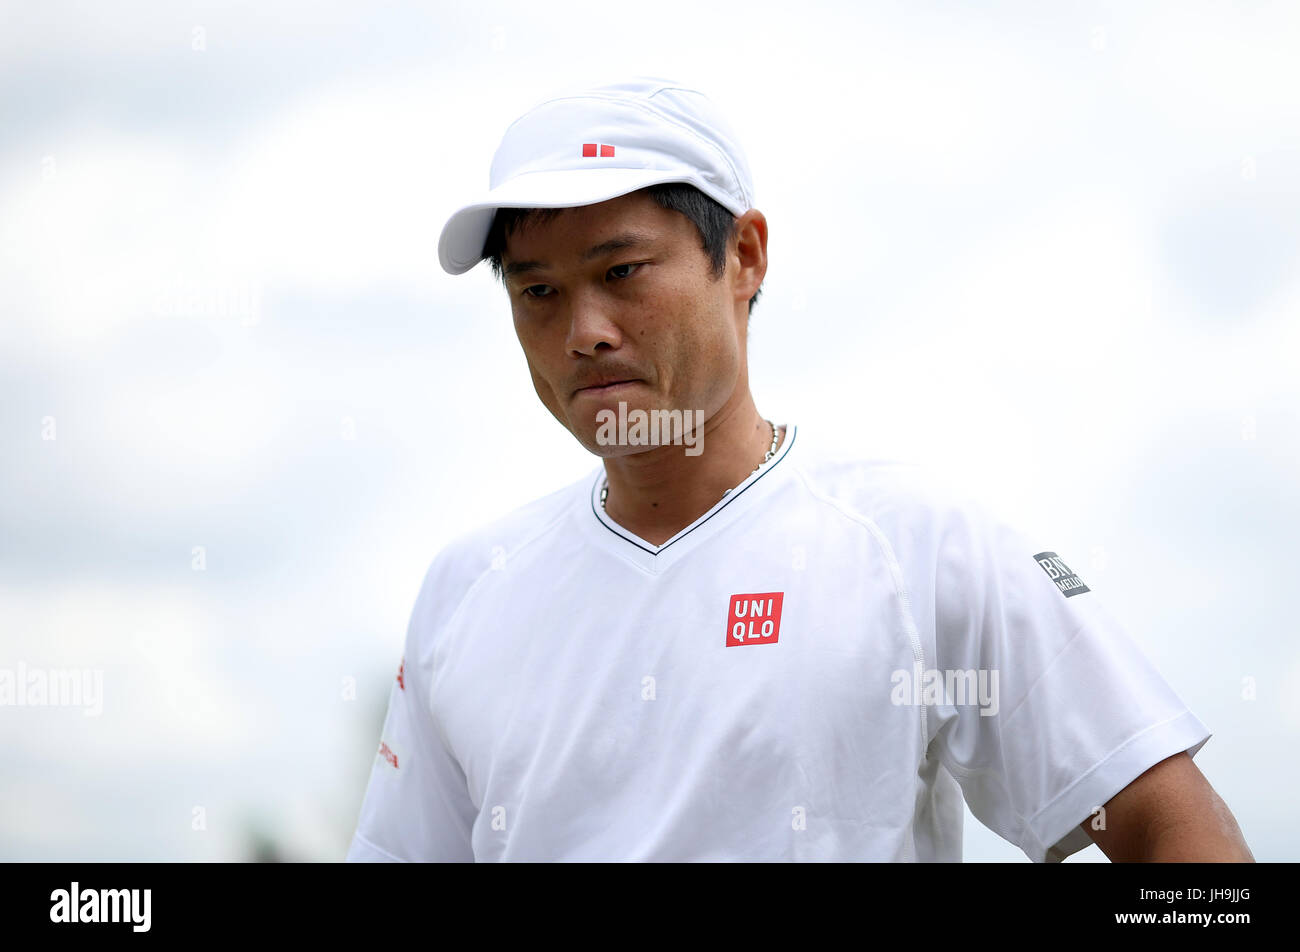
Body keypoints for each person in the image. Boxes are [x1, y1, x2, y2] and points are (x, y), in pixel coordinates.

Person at [345, 76, 1253, 862]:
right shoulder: (469, 592)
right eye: (537, 291)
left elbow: (1180, 842)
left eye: (621, 271)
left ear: (743, 257)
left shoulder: (915, 546)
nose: (583, 332)